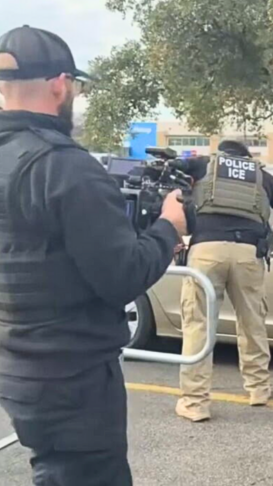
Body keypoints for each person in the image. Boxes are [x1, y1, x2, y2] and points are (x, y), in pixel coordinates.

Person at [0, 26, 187, 485]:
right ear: (61, 84)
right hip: (72, 377)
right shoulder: (64, 167)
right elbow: (123, 274)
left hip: (20, 366)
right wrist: (169, 227)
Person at [174, 140, 273, 422]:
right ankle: (258, 389)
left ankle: (195, 403)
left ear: (221, 154)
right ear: (246, 157)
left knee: (198, 324)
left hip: (206, 251)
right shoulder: (260, 175)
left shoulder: (203, 165)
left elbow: (176, 199)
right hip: (248, 253)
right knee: (252, 318)